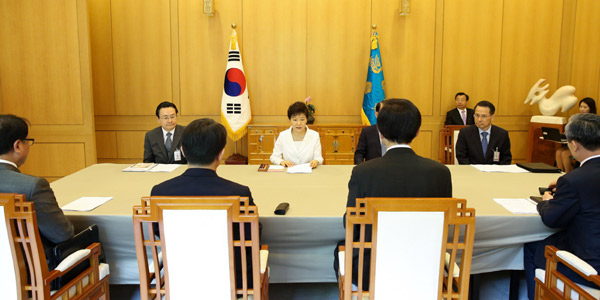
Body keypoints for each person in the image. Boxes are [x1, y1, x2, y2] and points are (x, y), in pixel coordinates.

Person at [334, 98, 452, 290]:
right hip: (426, 266)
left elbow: (351, 223)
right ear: (417, 131)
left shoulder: (363, 172)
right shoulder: (440, 172)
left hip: (372, 267)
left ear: (380, 133)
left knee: (340, 248)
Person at [151, 118, 256, 289]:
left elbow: (158, 232)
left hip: (179, 278)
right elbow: (251, 235)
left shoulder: (160, 192)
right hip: (230, 280)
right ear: (221, 153)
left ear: (183, 151)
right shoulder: (239, 193)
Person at [524, 113, 600, 300]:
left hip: (592, 268)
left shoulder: (574, 181)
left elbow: (551, 218)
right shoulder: (574, 179)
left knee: (535, 247)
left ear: (574, 145)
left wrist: (547, 201)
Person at [0, 115, 74, 259]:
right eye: (28, 141)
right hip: (30, 272)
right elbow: (62, 234)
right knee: (94, 245)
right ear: (18, 146)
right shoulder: (32, 186)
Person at [455, 100, 512, 164]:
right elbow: (461, 156)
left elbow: (506, 158)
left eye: (483, 116)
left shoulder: (502, 134)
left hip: (494, 172)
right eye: (477, 115)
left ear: (492, 117)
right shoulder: (465, 133)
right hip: (472, 171)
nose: (479, 119)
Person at [270, 101, 323, 168]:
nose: (298, 123)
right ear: (290, 120)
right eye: (295, 120)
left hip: (309, 173)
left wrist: (316, 161)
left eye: (302, 119)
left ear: (306, 120)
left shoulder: (314, 135)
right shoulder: (283, 135)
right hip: (288, 172)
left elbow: (319, 158)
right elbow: (274, 157)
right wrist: (282, 162)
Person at [556, 97, 597, 172]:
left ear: (591, 108)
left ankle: (567, 173)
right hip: (575, 143)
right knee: (559, 152)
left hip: (586, 146)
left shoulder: (594, 121)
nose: (582, 109)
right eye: (581, 107)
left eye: (585, 107)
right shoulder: (576, 119)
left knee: (565, 153)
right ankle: (560, 172)